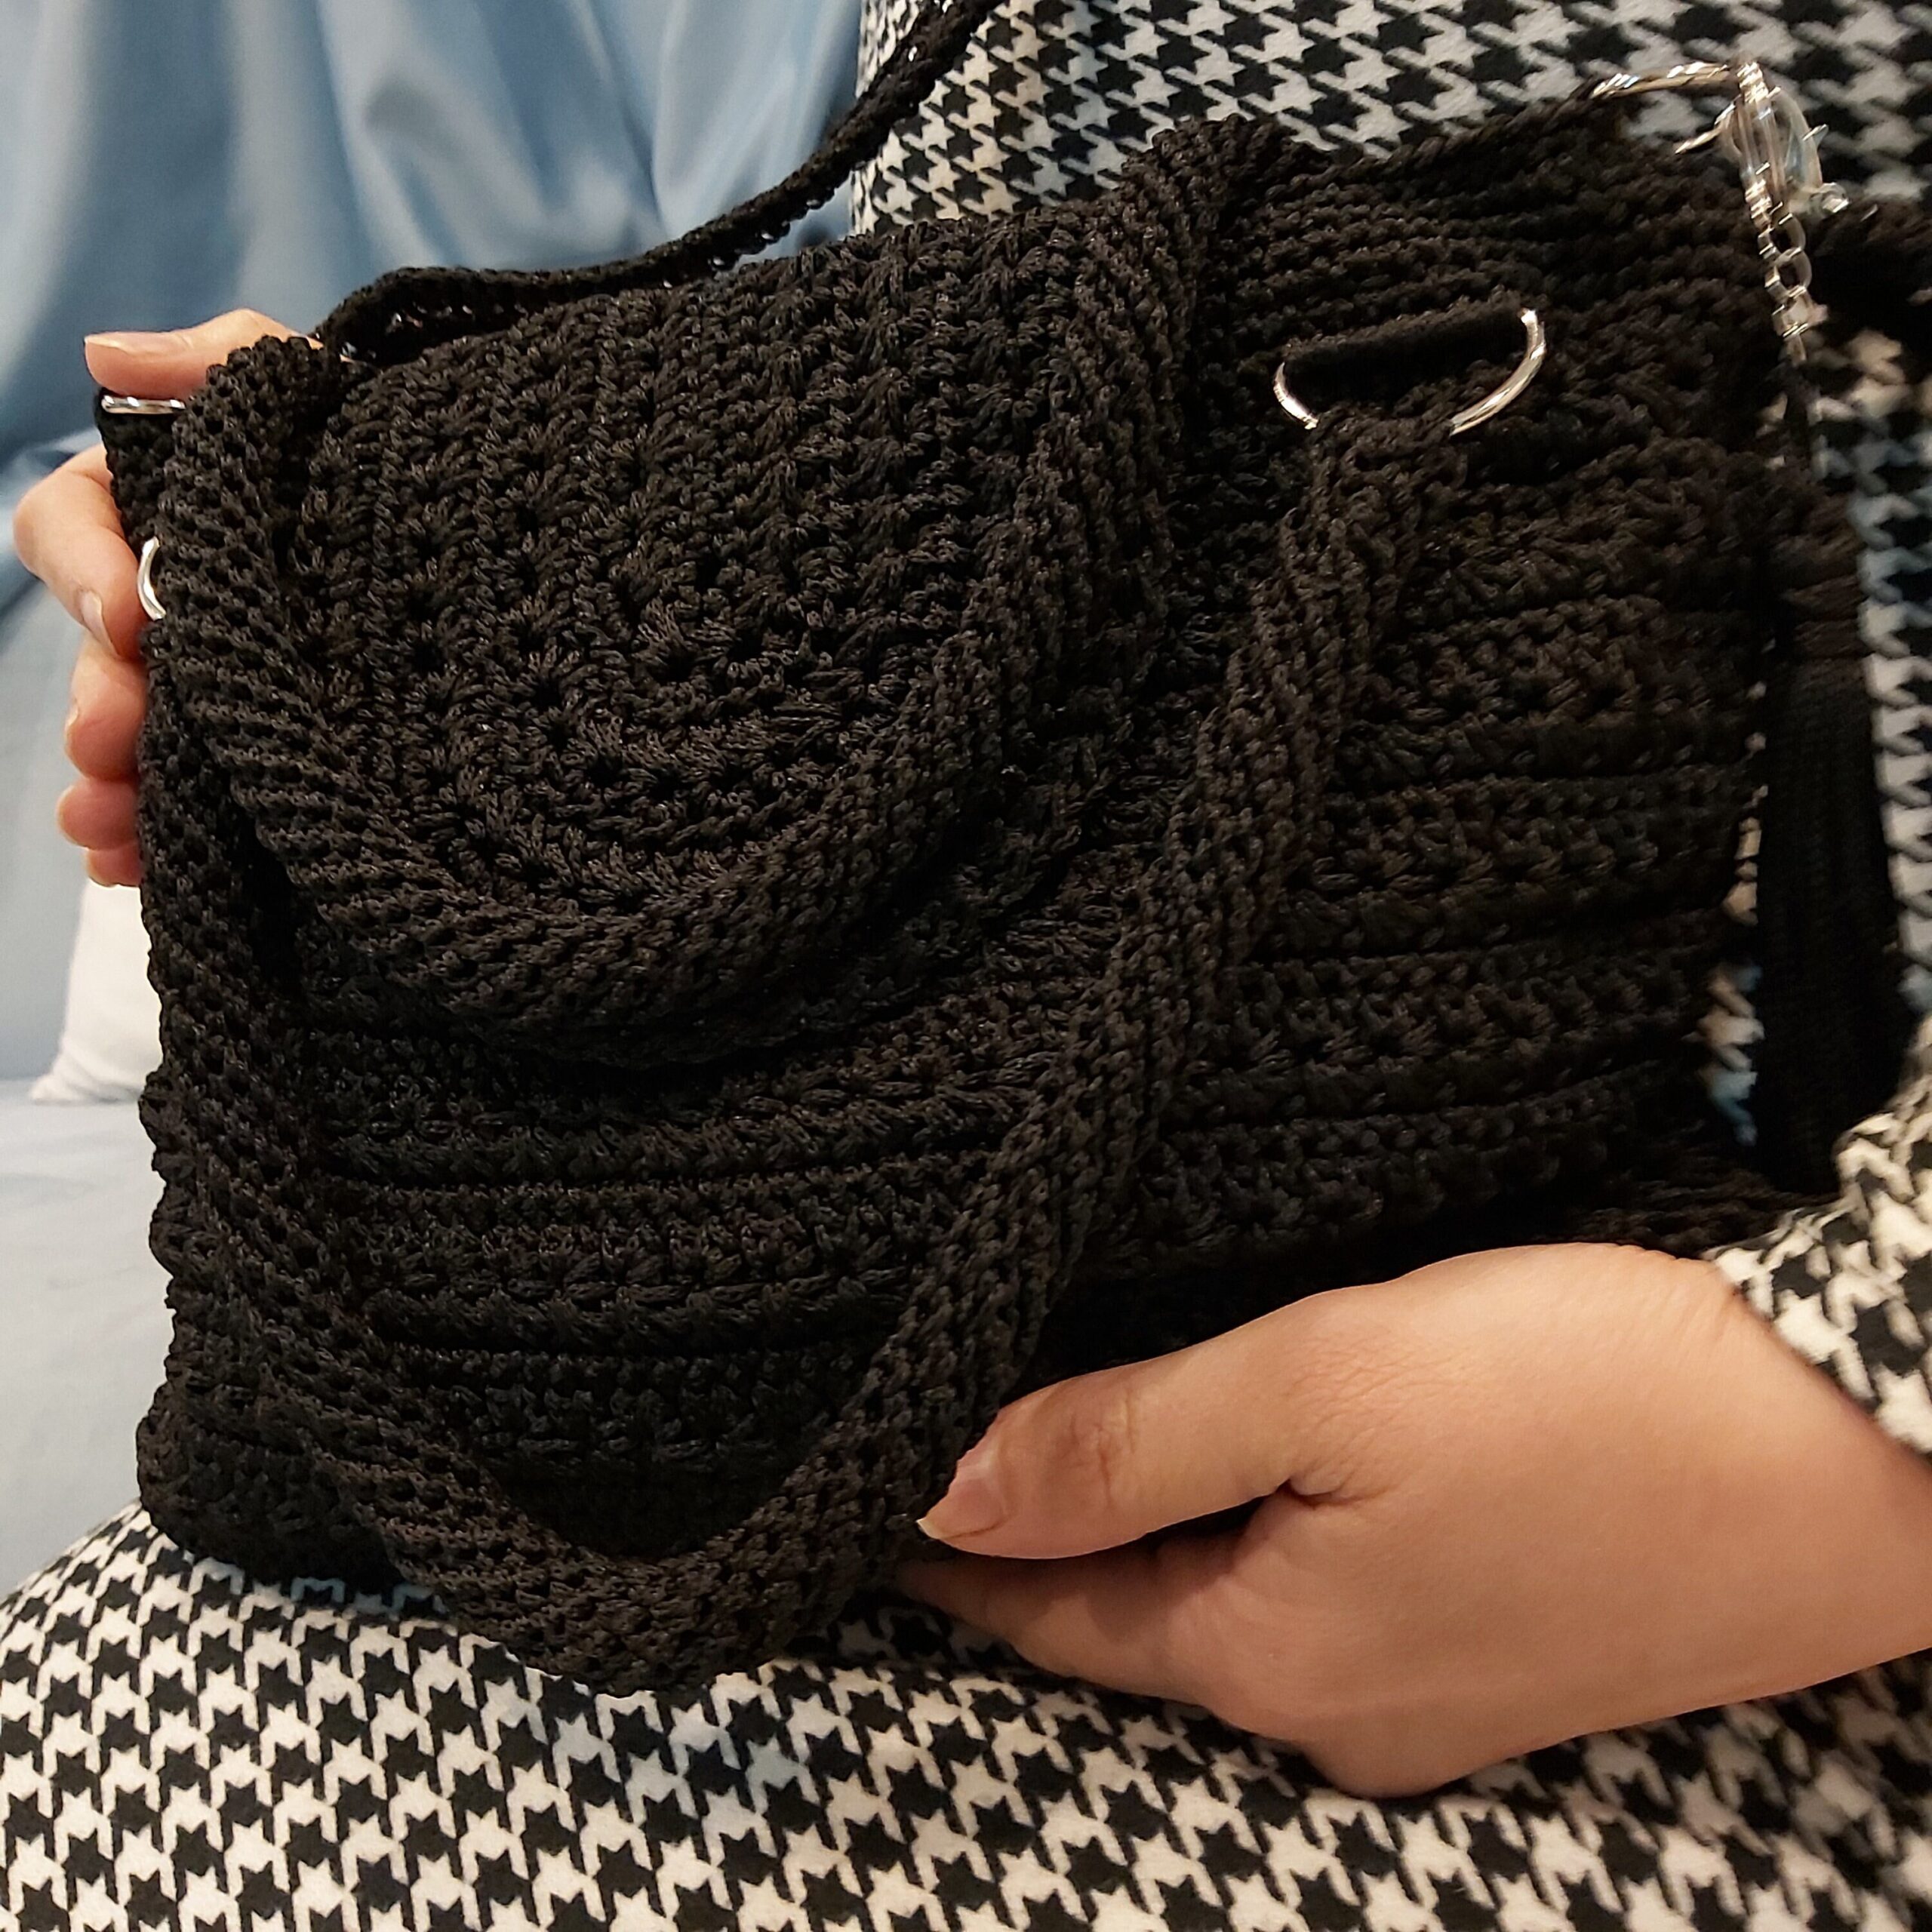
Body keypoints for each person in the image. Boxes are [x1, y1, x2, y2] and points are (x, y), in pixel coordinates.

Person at [8, 2, 1932, 1925]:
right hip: (666, 1453)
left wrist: (1846, 1433)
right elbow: (976, 361)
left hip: (1668, 1483)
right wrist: (408, 505)